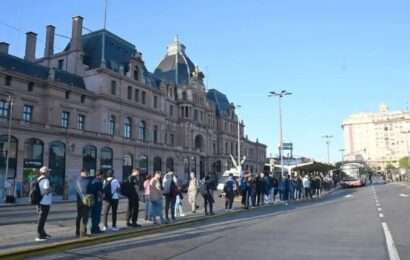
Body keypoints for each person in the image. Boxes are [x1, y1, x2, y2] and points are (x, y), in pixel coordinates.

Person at [36, 166, 52, 241]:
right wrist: (50, 189)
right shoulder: (46, 180)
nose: (49, 173)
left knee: (41, 218)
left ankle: (43, 233)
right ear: (45, 173)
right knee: (42, 219)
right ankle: (39, 235)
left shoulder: (38, 179)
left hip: (39, 202)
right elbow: (46, 190)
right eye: (48, 172)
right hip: (44, 202)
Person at [75, 169, 93, 237]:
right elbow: (85, 190)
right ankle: (82, 232)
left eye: (87, 173)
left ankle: (78, 231)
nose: (86, 174)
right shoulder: (87, 180)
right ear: (81, 173)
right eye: (85, 173)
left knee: (80, 216)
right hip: (85, 200)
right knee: (84, 216)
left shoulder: (78, 180)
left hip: (81, 200)